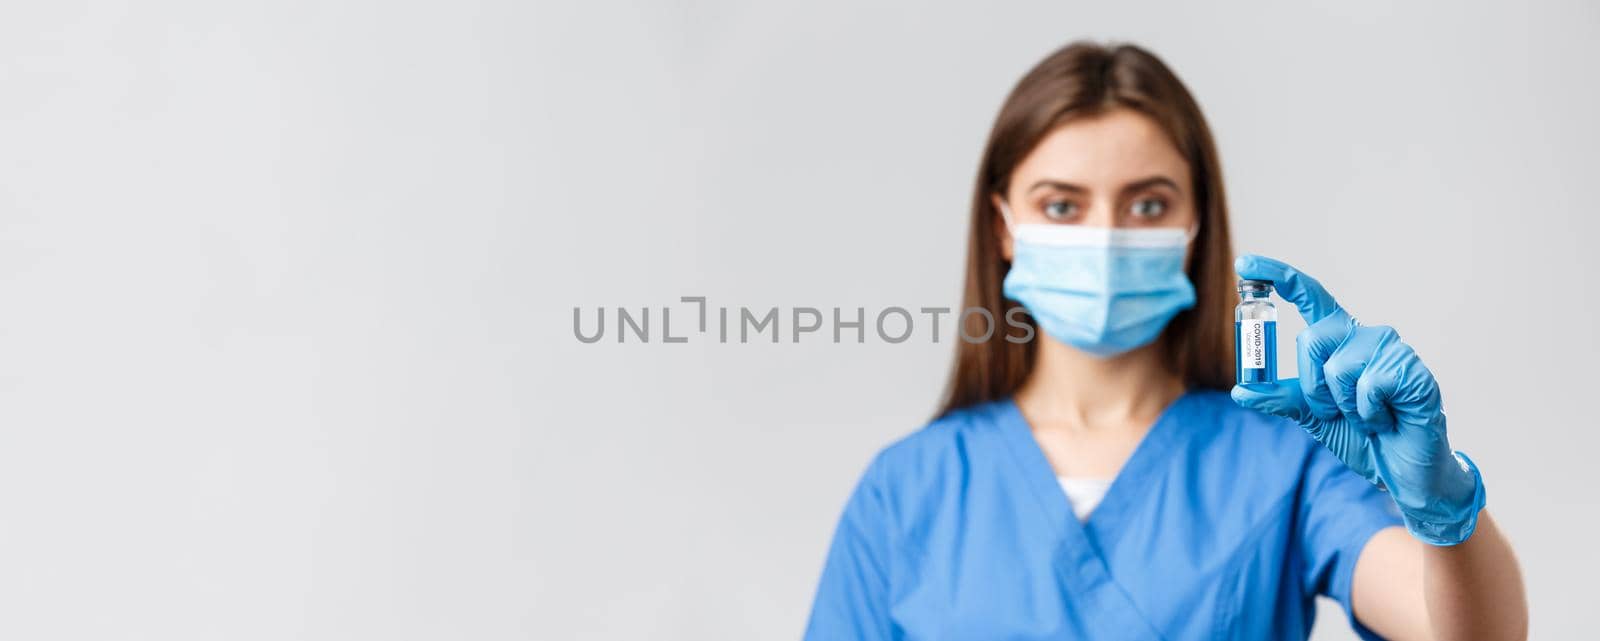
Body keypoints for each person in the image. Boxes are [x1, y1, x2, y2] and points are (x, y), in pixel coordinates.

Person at [802, 42, 1527, 641]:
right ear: (1002, 226)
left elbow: (1465, 634)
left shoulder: (1283, 460)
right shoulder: (908, 491)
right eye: (1062, 204)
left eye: (1148, 203)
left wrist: (1443, 504)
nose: (1107, 236)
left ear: (1195, 225)